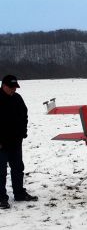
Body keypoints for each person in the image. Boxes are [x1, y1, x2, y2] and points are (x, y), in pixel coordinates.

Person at [0, 75, 38, 209]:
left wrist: (23, 132)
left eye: (15, 87)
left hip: (16, 142)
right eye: (11, 87)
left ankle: (19, 193)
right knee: (1, 172)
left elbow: (24, 115)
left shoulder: (17, 98)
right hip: (1, 144)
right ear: (3, 85)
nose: (13, 90)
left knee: (18, 169)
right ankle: (1, 198)